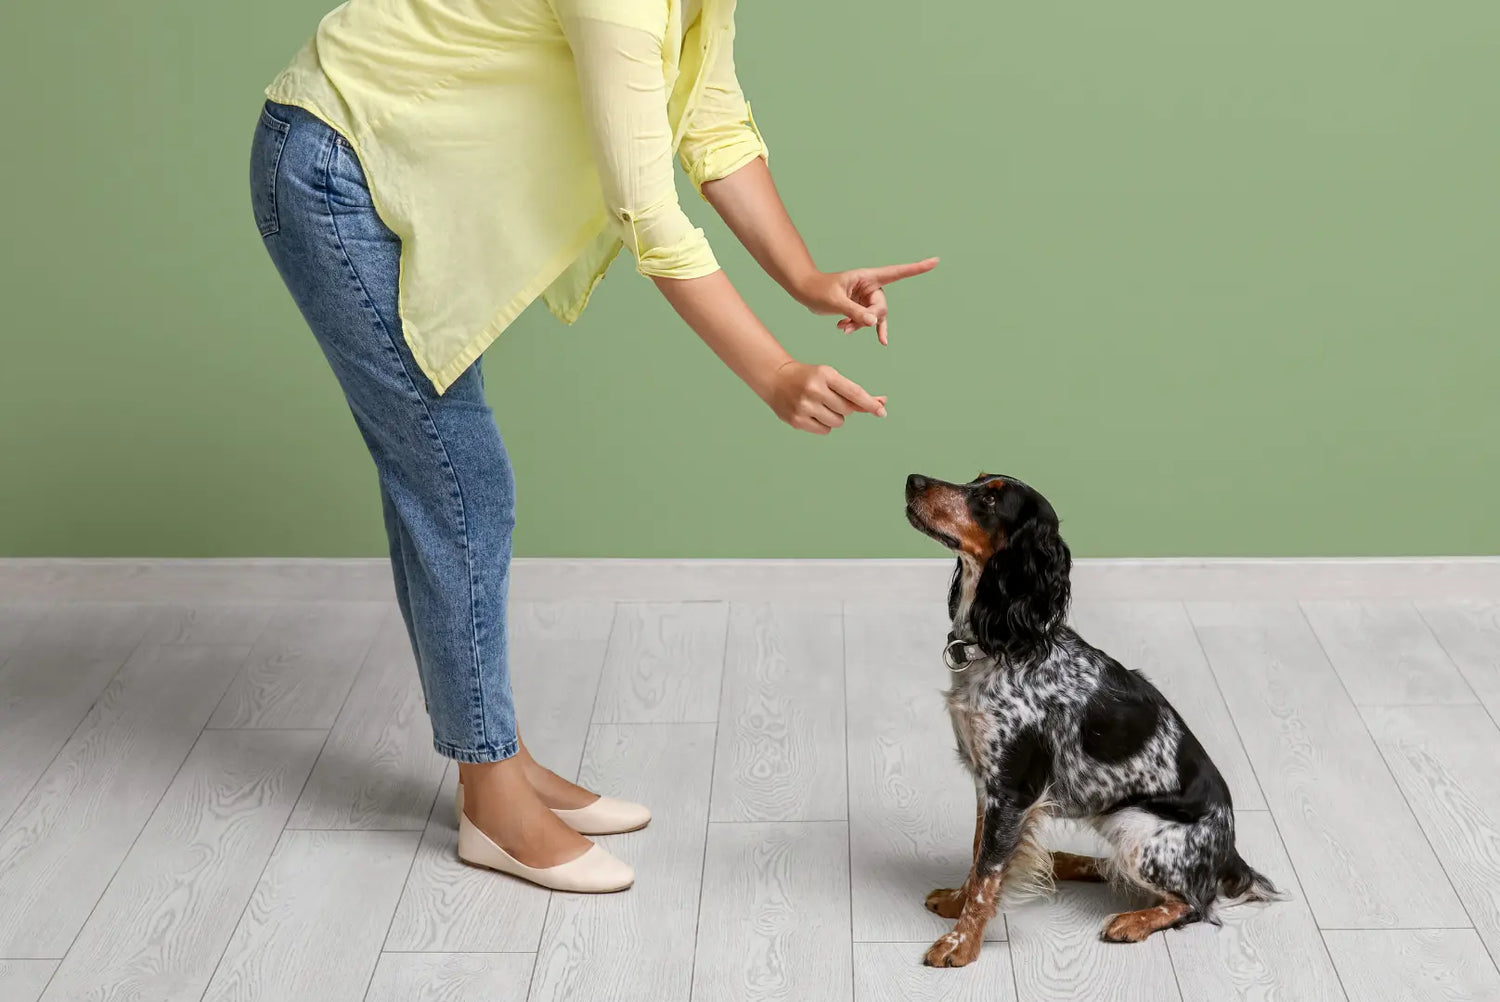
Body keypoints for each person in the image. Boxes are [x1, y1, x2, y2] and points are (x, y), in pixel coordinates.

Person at [250, 0, 936, 893]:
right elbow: (643, 209)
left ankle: (498, 757)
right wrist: (772, 372)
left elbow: (713, 122)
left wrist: (805, 279)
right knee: (458, 481)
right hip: (333, 168)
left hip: (380, 155)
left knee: (441, 473)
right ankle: (491, 796)